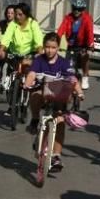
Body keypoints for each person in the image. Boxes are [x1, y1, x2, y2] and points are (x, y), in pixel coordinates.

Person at [23, 32, 84, 172]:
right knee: (35, 95)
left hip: (58, 98)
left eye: (53, 47)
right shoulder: (39, 60)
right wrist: (27, 84)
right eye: (47, 47)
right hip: (43, 95)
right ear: (44, 47)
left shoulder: (63, 62)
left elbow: (72, 79)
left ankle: (56, 155)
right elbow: (32, 74)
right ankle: (35, 119)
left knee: (60, 123)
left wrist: (80, 92)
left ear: (58, 48)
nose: (50, 50)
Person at [0, 3, 44, 118]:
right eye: (16, 14)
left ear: (26, 15)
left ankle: (25, 101)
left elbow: (38, 39)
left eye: (20, 14)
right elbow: (7, 37)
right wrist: (2, 49)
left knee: (28, 77)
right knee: (12, 79)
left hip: (29, 54)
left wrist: (39, 52)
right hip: (14, 53)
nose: (17, 17)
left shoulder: (33, 24)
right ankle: (12, 103)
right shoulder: (13, 24)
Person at [56, 0, 95, 90]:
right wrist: (55, 42)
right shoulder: (68, 18)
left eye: (79, 9)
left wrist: (90, 46)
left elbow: (90, 32)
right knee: (67, 67)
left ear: (83, 9)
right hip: (71, 46)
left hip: (83, 45)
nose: (77, 11)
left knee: (84, 57)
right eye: (75, 8)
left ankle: (85, 76)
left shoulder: (87, 18)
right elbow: (61, 31)